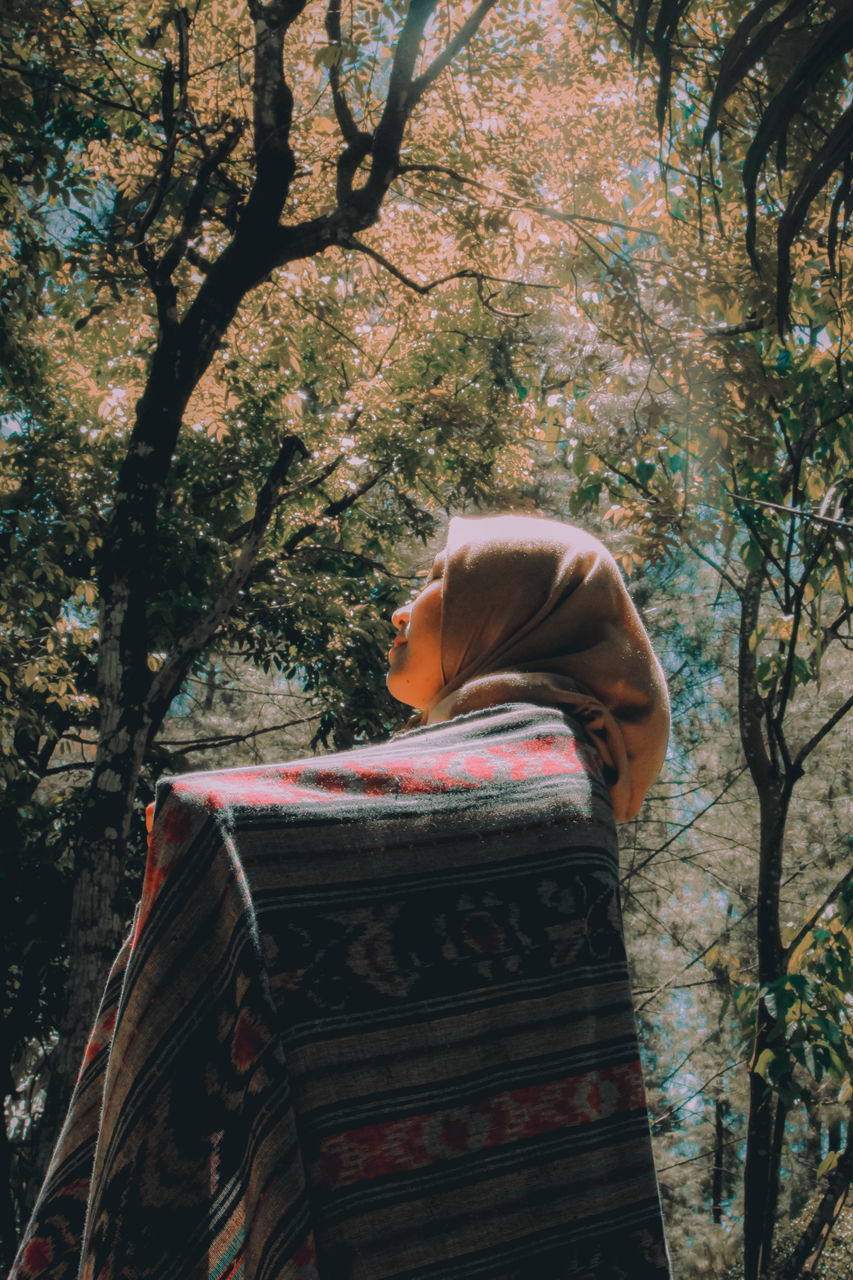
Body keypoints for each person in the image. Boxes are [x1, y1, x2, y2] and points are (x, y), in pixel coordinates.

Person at [12, 513, 672, 1280]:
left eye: (433, 582)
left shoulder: (549, 773)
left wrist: (209, 825)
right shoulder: (542, 764)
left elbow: (244, 827)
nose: (401, 608)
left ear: (507, 610)